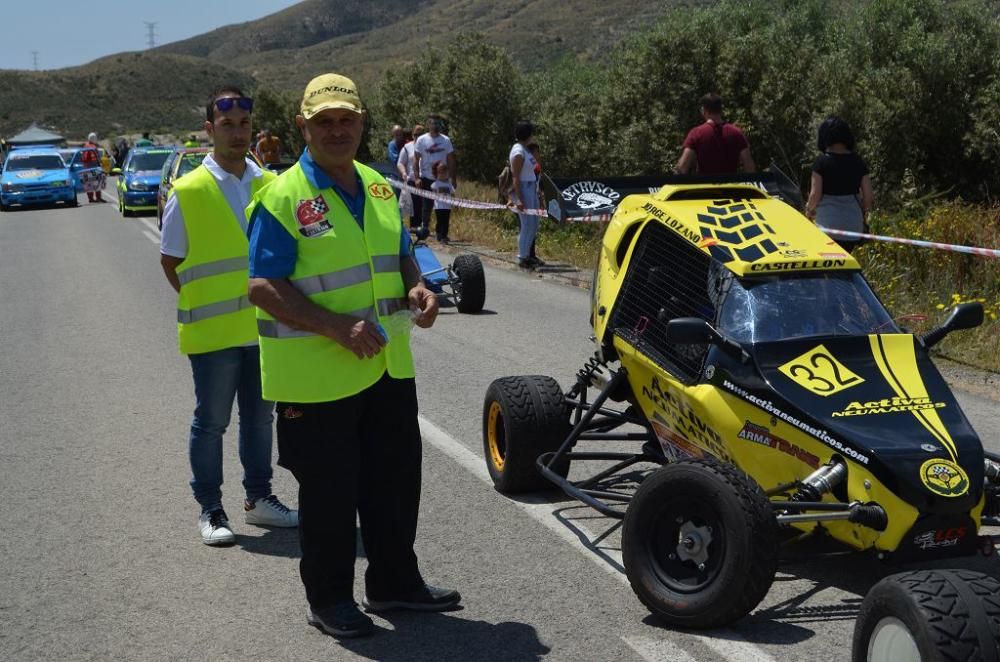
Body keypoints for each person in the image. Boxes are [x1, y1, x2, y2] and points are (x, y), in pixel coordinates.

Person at [246, 73, 460, 639]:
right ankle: (330, 599)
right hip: (316, 380)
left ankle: (394, 582)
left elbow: (403, 252)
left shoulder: (381, 185)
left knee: (394, 483)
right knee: (330, 495)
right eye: (324, 122)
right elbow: (263, 287)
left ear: (363, 122)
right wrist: (336, 327)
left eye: (347, 119)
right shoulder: (282, 195)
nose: (337, 130)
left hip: (388, 367)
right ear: (303, 127)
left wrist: (419, 288)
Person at [159, 86, 298, 546]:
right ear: (209, 130)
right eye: (227, 126)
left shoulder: (271, 186)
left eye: (243, 125)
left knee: (260, 420)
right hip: (214, 332)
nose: (237, 134)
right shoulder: (188, 190)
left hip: (263, 330)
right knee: (212, 422)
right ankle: (211, 509)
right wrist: (206, 300)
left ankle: (259, 500)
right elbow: (171, 261)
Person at [805, 116, 873, 253]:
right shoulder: (858, 162)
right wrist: (862, 212)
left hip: (827, 227)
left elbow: (815, 195)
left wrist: (808, 212)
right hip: (853, 228)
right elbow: (869, 197)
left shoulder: (821, 163)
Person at [675, 93, 755, 175]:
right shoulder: (737, 133)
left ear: (703, 110)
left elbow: (683, 167)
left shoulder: (696, 133)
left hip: (705, 186)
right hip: (730, 186)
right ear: (721, 110)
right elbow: (749, 166)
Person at [413, 114, 455, 238]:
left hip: (442, 179)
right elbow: (416, 159)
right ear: (428, 124)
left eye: (437, 123)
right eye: (432, 123)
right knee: (426, 206)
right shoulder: (422, 140)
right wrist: (416, 178)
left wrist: (453, 178)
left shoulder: (446, 140)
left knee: (442, 207)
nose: (435, 126)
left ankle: (441, 232)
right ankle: (424, 229)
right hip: (426, 177)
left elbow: (451, 159)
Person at [509, 120, 540, 270]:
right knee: (526, 225)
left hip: (531, 187)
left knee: (534, 224)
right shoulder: (518, 152)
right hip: (524, 188)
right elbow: (515, 176)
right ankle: (522, 257)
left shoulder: (525, 149)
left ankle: (527, 255)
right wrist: (519, 199)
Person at [397, 123, 425, 230]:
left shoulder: (428, 146)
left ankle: (424, 227)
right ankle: (414, 227)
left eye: (420, 134)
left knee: (425, 206)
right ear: (412, 135)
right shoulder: (407, 147)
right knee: (414, 205)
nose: (417, 137)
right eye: (415, 135)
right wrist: (404, 173)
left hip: (426, 180)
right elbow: (400, 163)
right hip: (412, 180)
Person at [429, 160, 454, 243]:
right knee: (440, 221)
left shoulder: (449, 184)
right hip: (438, 207)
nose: (443, 175)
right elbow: (432, 193)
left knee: (446, 221)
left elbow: (452, 192)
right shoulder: (435, 184)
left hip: (447, 207)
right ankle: (439, 234)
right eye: (440, 173)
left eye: (445, 173)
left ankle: (444, 236)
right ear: (436, 174)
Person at [82, 132, 105, 203]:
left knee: (89, 184)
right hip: (94, 168)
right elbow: (97, 158)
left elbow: (84, 158)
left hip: (86, 168)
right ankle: (98, 198)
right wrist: (100, 165)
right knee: (97, 182)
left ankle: (91, 198)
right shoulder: (93, 147)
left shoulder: (85, 146)